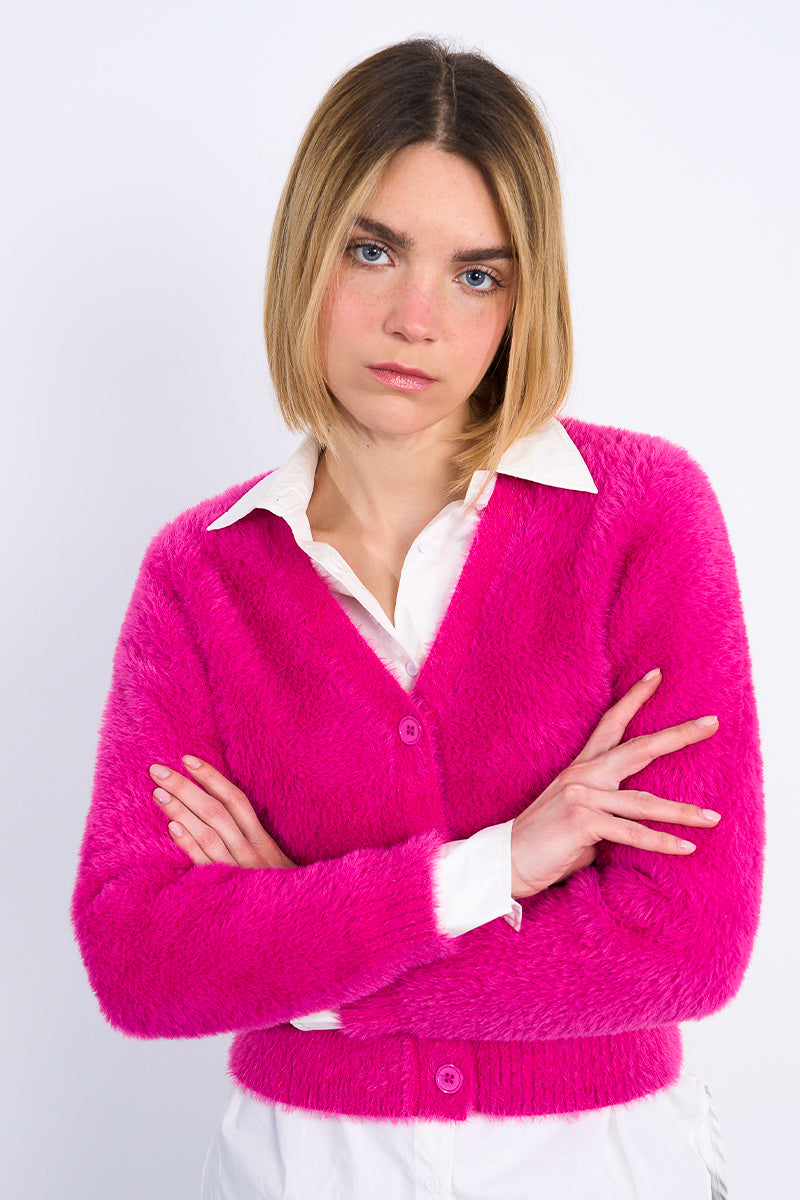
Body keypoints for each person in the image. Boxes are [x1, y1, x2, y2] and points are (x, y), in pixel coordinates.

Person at [71, 38, 764, 1200]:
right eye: (373, 250)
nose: (415, 317)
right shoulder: (202, 576)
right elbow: (140, 960)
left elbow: (686, 943)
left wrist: (299, 958)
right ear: (308, 251)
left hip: (595, 1167)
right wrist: (497, 866)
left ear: (522, 296)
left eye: (475, 274)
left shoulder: (642, 521)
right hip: (302, 1171)